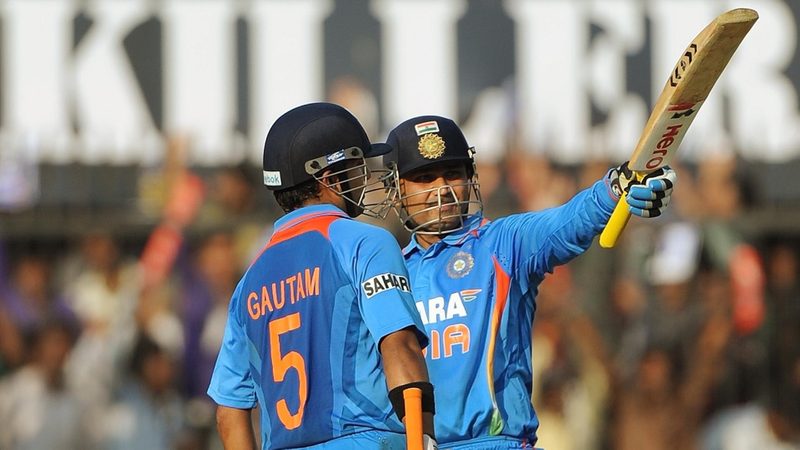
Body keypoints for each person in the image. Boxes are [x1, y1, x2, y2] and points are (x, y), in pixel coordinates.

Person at [380, 115, 676, 449]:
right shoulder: (386, 273)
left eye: (452, 174)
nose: (442, 190)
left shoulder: (502, 243)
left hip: (498, 443)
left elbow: (566, 222)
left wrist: (615, 190)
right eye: (424, 178)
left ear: (470, 177)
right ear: (396, 190)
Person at [207, 102, 436, 450]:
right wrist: (425, 440)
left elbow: (229, 412)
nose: (365, 178)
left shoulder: (249, 280)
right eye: (357, 167)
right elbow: (400, 348)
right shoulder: (365, 242)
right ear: (329, 178)